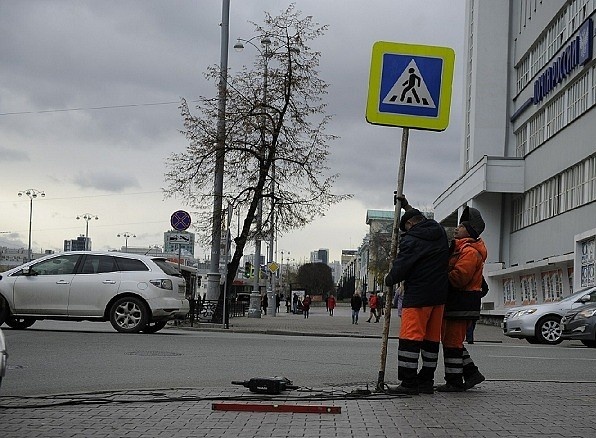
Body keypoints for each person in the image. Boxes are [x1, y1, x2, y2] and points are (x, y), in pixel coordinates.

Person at [384, 196, 450, 395]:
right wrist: (407, 207)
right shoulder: (438, 231)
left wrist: (389, 278)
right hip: (438, 297)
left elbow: (401, 268)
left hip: (418, 296)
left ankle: (408, 383)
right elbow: (419, 219)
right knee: (431, 341)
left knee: (410, 340)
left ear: (410, 225)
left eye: (407, 227)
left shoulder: (412, 240)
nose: (407, 231)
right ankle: (426, 381)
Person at [437, 206, 487, 392]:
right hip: (460, 303)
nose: (456, 228)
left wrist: (439, 274)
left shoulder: (469, 252)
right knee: (452, 341)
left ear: (470, 231)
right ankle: (472, 374)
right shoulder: (462, 249)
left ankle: (454, 381)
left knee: (452, 342)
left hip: (461, 302)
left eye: (461, 226)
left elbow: (459, 278)